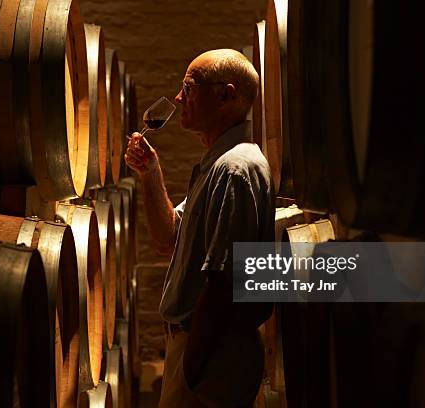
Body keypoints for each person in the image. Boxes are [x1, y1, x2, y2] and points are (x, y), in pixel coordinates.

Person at [125, 49, 274, 408]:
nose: (178, 98)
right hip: (200, 349)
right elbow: (168, 239)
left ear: (225, 94)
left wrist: (191, 367)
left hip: (210, 354)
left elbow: (223, 281)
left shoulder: (235, 169)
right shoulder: (216, 165)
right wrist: (150, 174)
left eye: (189, 87)